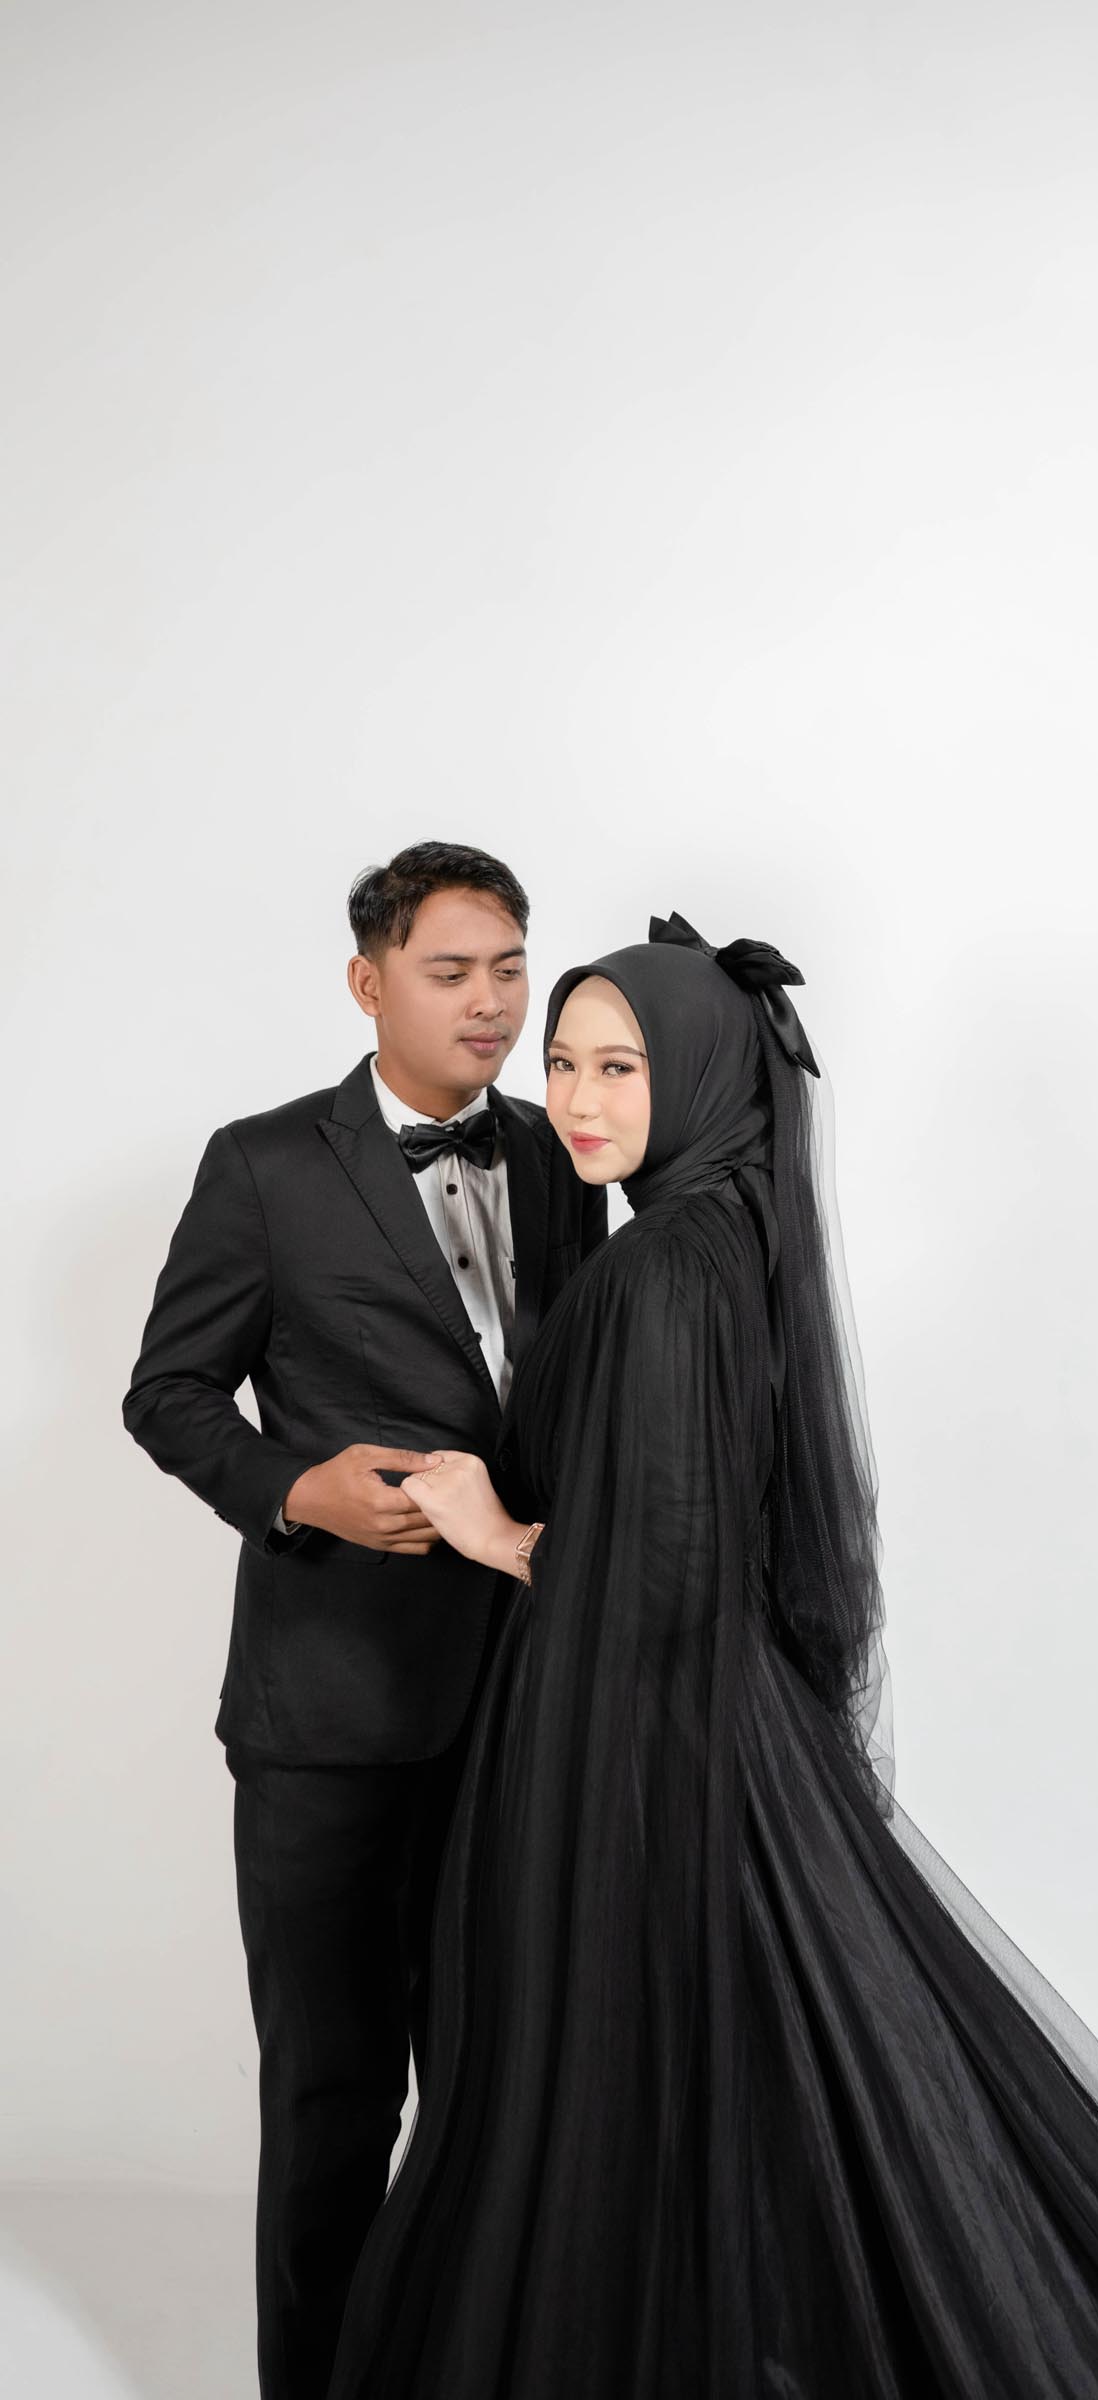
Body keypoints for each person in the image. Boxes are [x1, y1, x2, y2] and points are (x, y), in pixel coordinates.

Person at [326, 912, 1098, 2398]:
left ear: (705, 1075)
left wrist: (492, 1531)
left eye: (622, 1066)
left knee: (647, 2070)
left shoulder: (663, 1268)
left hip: (649, 1733)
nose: (580, 1098)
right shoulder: (724, 1236)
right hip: (705, 1722)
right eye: (563, 1063)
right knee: (751, 2071)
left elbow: (662, 1572)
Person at [120, 842, 608, 2400]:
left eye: (510, 967)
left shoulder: (561, 1157)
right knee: (333, 2100)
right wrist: (297, 1490)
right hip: (328, 1714)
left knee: (505, 2086)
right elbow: (169, 1394)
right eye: (451, 971)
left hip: (526, 1699)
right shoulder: (265, 1166)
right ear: (368, 982)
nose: (491, 1001)